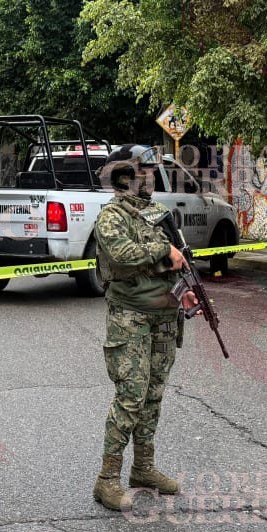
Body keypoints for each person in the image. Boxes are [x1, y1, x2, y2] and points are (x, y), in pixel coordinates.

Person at [91, 145, 199, 511]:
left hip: (164, 317)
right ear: (124, 177)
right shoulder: (112, 216)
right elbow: (122, 255)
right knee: (131, 397)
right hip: (131, 318)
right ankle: (107, 480)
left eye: (152, 171)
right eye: (144, 172)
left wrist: (184, 289)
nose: (151, 177)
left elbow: (176, 264)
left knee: (153, 396)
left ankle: (143, 469)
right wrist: (164, 252)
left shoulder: (159, 214)